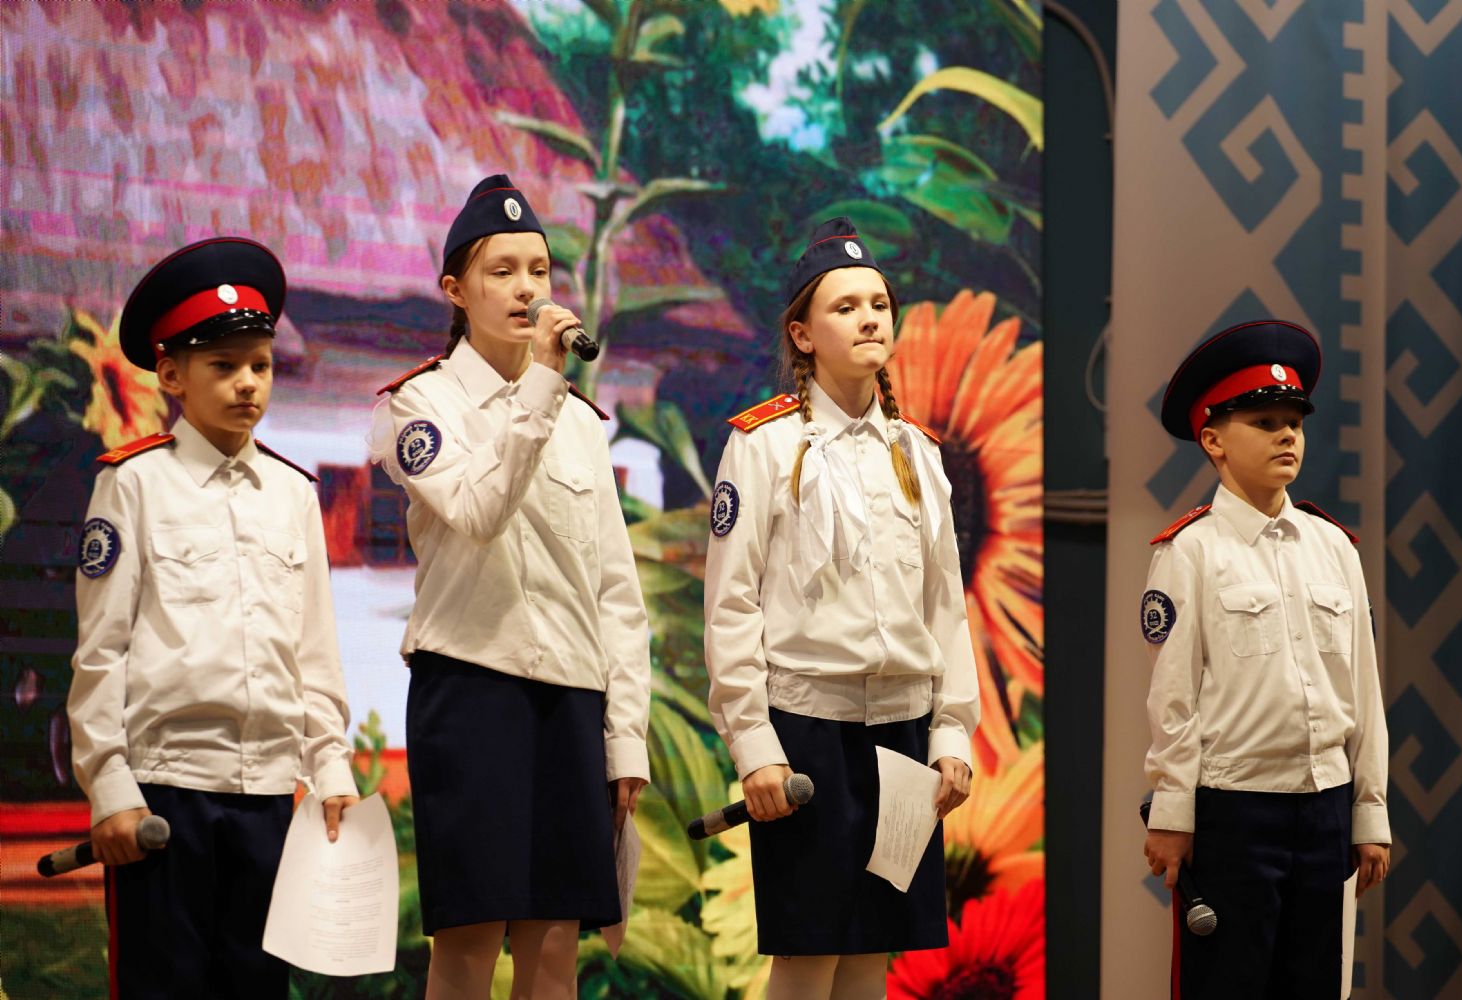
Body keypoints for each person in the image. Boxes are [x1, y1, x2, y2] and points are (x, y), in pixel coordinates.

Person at [370, 174, 651, 1000]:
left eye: (539, 270)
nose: (527, 288)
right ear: (455, 290)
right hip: (470, 690)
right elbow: (478, 510)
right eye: (502, 271)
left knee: (555, 944)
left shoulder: (580, 423)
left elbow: (615, 591)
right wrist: (539, 385)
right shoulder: (419, 405)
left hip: (571, 696)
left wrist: (624, 738)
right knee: (468, 941)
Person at [67, 237, 360, 998]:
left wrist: (329, 766)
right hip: (167, 793)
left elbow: (314, 651)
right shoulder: (133, 485)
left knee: (257, 987)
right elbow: (101, 653)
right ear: (171, 375)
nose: (247, 384)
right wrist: (111, 788)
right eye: (223, 366)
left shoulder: (293, 494)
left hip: (268, 797)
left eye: (260, 365)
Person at [703, 218, 980, 1000]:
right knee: (807, 957)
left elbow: (945, 606)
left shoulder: (918, 451)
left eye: (879, 305)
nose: (868, 320)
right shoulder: (763, 444)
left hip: (902, 733)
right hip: (807, 733)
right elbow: (730, 605)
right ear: (802, 333)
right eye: (845, 307)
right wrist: (753, 743)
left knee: (870, 956)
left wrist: (951, 731)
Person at [1141, 319, 1391, 998]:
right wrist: (1173, 812)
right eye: (1264, 422)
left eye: (1294, 423)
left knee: (1316, 986)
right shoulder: (1190, 551)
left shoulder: (1333, 547)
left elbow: (1363, 692)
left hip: (1326, 810)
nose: (1287, 436)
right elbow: (1173, 699)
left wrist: (1369, 811)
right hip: (1235, 813)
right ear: (1213, 440)